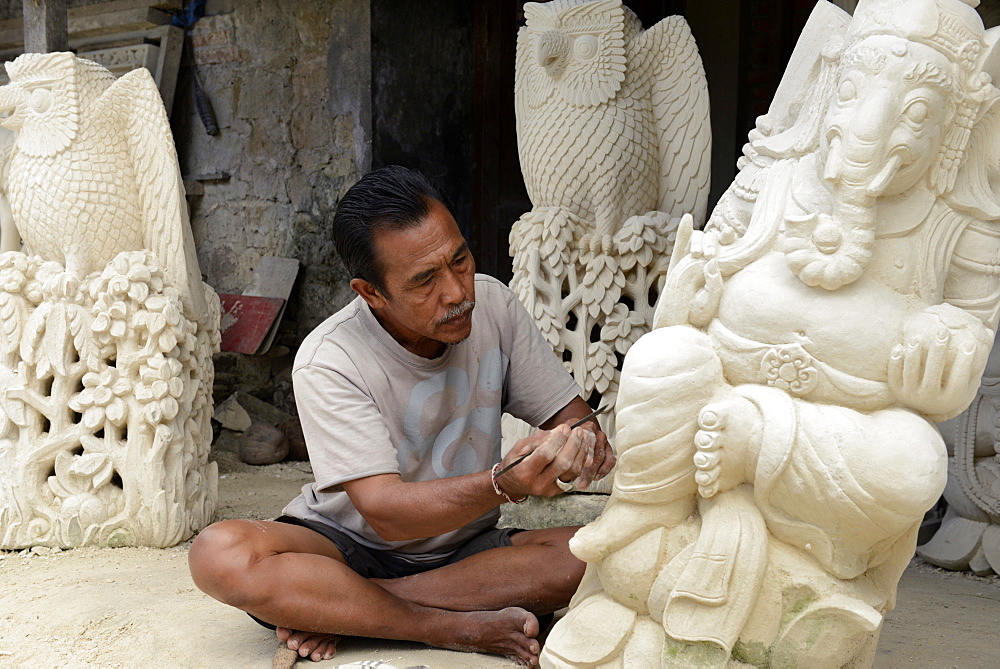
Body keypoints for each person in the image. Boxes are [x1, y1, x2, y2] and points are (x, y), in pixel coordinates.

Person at [188, 165, 615, 667]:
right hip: (345, 544)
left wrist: (574, 448)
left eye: (459, 260)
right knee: (219, 554)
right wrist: (505, 483)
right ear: (371, 293)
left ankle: (349, 606)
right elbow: (385, 513)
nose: (457, 292)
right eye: (424, 281)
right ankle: (447, 627)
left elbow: (576, 419)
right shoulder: (329, 357)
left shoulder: (494, 305)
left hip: (465, 551)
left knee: (593, 552)